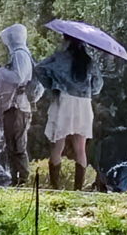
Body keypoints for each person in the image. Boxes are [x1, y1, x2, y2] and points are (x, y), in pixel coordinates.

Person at [35, 34, 106, 187]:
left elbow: (39, 69)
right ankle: (78, 188)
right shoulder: (88, 61)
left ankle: (55, 186)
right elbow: (98, 85)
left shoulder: (60, 57)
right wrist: (88, 90)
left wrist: (52, 84)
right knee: (80, 147)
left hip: (65, 99)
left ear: (66, 40)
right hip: (84, 103)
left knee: (58, 144)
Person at [0, 24, 37, 183]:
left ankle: (21, 178)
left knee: (17, 144)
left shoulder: (19, 55)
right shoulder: (23, 54)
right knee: (12, 143)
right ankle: (16, 177)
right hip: (15, 105)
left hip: (17, 105)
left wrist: (0, 72)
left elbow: (18, 77)